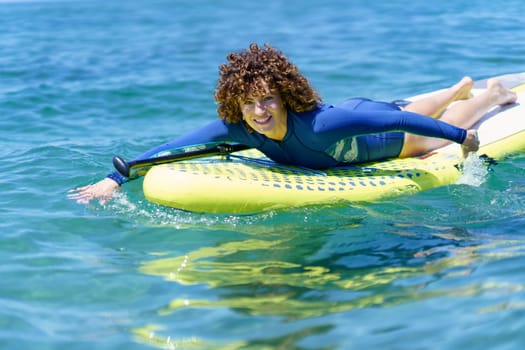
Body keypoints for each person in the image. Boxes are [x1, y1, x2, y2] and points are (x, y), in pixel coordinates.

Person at [69, 43, 517, 205]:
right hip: (365, 117)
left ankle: (487, 96)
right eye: (249, 104)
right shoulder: (237, 128)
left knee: (423, 127)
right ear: (235, 105)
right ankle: (461, 84)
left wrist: (462, 138)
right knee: (420, 104)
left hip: (378, 134)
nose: (259, 111)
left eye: (268, 100)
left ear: (285, 97)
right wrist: (117, 177)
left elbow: (395, 118)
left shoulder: (322, 124)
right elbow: (173, 146)